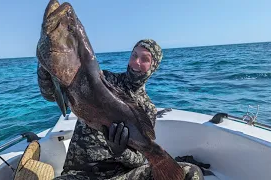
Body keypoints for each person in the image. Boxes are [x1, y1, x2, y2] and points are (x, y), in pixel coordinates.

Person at [37, 39, 204, 180]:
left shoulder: (148, 109)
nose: (136, 63)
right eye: (134, 55)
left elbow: (139, 160)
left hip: (120, 176)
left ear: (154, 66)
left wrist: (120, 151)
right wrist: (46, 64)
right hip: (80, 174)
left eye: (145, 59)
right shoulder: (103, 80)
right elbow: (52, 94)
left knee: (191, 173)